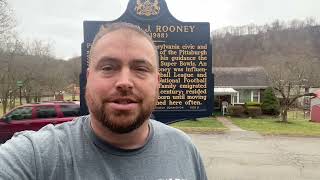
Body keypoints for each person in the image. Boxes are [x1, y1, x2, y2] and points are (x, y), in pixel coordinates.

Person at [0, 22, 207, 180]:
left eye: (141, 68)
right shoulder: (38, 156)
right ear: (88, 78)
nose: (124, 82)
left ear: (158, 81)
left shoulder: (185, 150)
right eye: (108, 67)